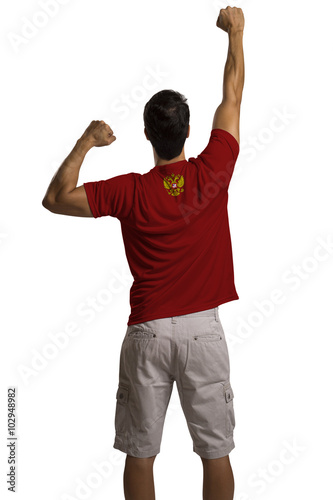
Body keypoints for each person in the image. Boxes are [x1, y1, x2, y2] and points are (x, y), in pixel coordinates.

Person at [42, 6, 245, 500]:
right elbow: (233, 93)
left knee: (140, 452)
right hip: (202, 330)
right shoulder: (214, 167)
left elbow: (55, 197)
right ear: (189, 133)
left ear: (148, 134)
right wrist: (236, 32)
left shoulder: (128, 191)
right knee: (216, 451)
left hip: (148, 331)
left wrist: (88, 140)